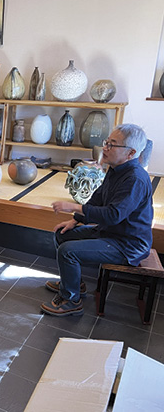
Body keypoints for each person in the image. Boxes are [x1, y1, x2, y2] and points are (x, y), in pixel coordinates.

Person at [42, 124, 153, 317]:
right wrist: (75, 220)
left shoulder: (135, 179)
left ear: (131, 153)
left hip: (128, 244)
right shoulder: (116, 169)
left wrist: (75, 207)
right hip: (110, 232)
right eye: (106, 142)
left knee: (68, 251)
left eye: (112, 145)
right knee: (63, 235)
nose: (105, 148)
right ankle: (74, 284)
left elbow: (113, 215)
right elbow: (98, 198)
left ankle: (71, 300)